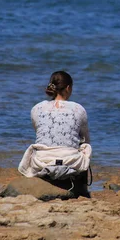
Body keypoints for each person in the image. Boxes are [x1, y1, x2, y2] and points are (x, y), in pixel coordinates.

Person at [18, 70, 92, 198]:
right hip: (70, 161)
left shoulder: (37, 108)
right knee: (86, 147)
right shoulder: (78, 109)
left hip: (42, 161)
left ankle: (43, 181)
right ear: (68, 88)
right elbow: (85, 139)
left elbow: (40, 132)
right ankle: (81, 188)